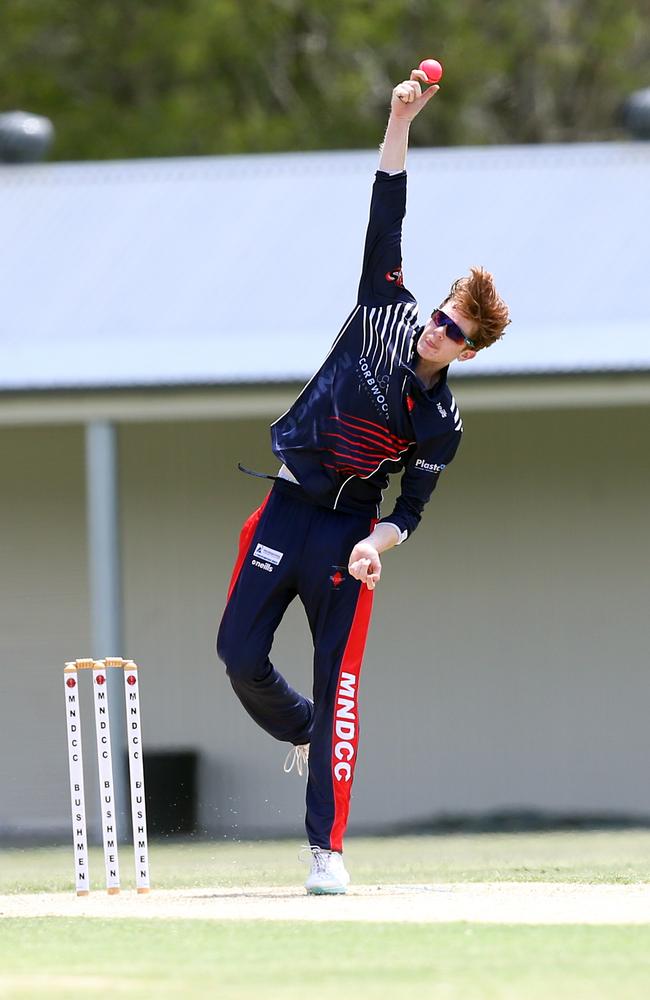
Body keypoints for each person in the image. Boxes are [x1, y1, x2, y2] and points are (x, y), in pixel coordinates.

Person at [217, 68, 510, 894]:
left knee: (339, 683)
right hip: (285, 508)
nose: (436, 329)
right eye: (441, 313)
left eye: (453, 332)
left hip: (347, 538)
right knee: (237, 655)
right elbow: (388, 200)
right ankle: (301, 728)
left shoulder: (442, 424)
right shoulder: (384, 306)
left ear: (467, 352)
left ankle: (326, 851)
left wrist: (379, 545)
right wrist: (400, 118)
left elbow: (410, 511)